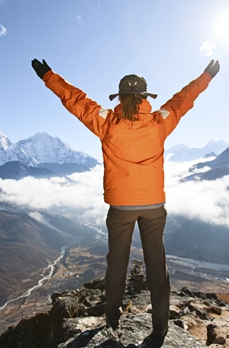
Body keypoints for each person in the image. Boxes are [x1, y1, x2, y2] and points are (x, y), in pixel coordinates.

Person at [31, 58, 219, 341]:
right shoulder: (160, 122)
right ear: (145, 98)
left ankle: (112, 320)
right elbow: (183, 100)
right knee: (157, 265)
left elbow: (76, 101)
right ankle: (160, 329)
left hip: (120, 207)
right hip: (154, 206)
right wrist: (206, 76)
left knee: (116, 263)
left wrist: (48, 76)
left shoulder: (107, 123)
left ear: (120, 98)